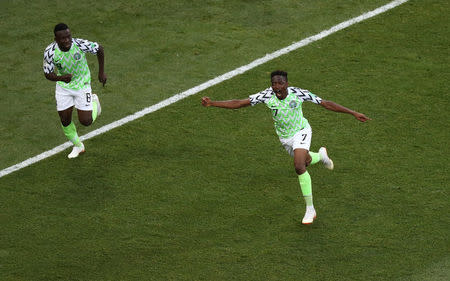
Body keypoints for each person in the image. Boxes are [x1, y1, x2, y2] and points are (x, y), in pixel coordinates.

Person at [201, 70, 370, 224]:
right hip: (285, 138)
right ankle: (321, 156)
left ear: (287, 84)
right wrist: (212, 103)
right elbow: (239, 103)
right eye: (274, 83)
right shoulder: (266, 95)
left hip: (302, 131)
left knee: (299, 166)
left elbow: (325, 103)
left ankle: (310, 209)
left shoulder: (298, 93)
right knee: (307, 160)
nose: (276, 87)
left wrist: (353, 113)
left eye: (280, 83)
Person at [43, 23, 107, 158]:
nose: (67, 40)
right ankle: (78, 146)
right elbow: (48, 74)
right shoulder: (50, 52)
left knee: (86, 121)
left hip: (82, 85)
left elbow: (99, 49)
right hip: (63, 87)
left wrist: (101, 72)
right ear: (56, 39)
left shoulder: (79, 44)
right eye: (63, 38)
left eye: (68, 37)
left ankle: (95, 103)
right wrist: (61, 78)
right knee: (65, 120)